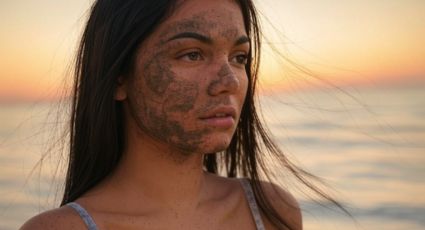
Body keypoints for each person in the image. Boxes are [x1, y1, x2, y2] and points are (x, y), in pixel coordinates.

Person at [21, 0, 315, 229]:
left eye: (239, 58)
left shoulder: (271, 213)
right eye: (192, 54)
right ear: (118, 78)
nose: (230, 81)